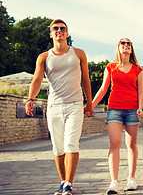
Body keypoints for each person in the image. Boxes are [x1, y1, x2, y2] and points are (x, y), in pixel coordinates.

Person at [25, 19, 93, 195]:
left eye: (62, 29)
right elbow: (37, 80)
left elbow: (85, 79)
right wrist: (30, 98)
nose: (59, 31)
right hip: (54, 106)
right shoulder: (44, 57)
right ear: (51, 33)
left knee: (71, 143)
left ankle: (69, 184)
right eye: (55, 28)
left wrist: (89, 102)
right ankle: (62, 181)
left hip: (75, 104)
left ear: (67, 33)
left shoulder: (79, 54)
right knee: (58, 147)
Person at [91, 38, 143, 194]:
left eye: (128, 44)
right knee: (115, 143)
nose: (126, 46)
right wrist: (90, 106)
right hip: (114, 108)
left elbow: (141, 91)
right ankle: (114, 182)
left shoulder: (137, 69)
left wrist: (140, 107)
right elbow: (102, 90)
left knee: (131, 144)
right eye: (123, 43)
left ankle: (131, 179)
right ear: (118, 48)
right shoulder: (111, 67)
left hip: (133, 109)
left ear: (131, 49)